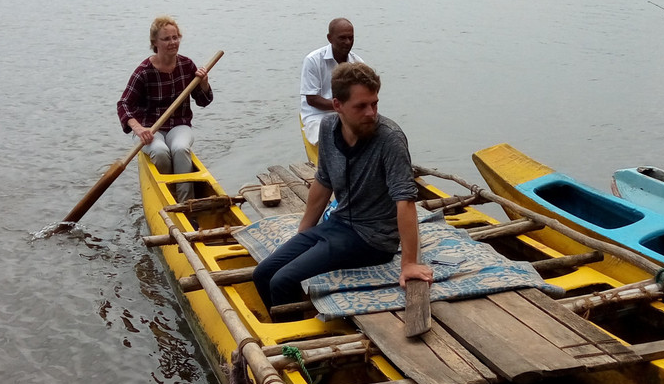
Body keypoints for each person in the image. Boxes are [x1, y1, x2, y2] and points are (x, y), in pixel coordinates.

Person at [254, 62, 433, 312]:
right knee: (262, 274)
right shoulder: (328, 128)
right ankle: (288, 329)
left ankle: (292, 347)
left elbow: (405, 200)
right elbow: (323, 181)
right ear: (338, 105)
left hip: (373, 239)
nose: (371, 112)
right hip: (338, 224)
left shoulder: (389, 139)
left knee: (283, 281)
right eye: (361, 106)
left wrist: (409, 263)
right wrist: (304, 233)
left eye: (374, 103)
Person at [117, 16, 213, 202]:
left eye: (175, 37)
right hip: (150, 128)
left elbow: (203, 101)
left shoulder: (187, 65)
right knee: (160, 152)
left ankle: (186, 203)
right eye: (166, 39)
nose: (173, 43)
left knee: (180, 148)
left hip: (179, 124)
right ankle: (168, 195)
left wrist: (204, 84)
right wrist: (138, 129)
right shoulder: (144, 71)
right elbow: (124, 104)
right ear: (155, 43)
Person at [299, 18, 363, 150]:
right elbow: (312, 99)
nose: (347, 42)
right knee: (334, 139)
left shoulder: (358, 63)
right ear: (330, 38)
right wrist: (344, 107)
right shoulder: (313, 60)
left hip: (347, 114)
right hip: (317, 116)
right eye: (342, 38)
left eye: (351, 38)